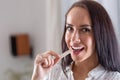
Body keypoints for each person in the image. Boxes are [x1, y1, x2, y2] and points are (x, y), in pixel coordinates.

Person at [31, 0, 120, 80]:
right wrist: (37, 77)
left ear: (101, 35)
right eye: (70, 28)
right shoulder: (54, 74)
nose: (74, 39)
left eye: (85, 30)